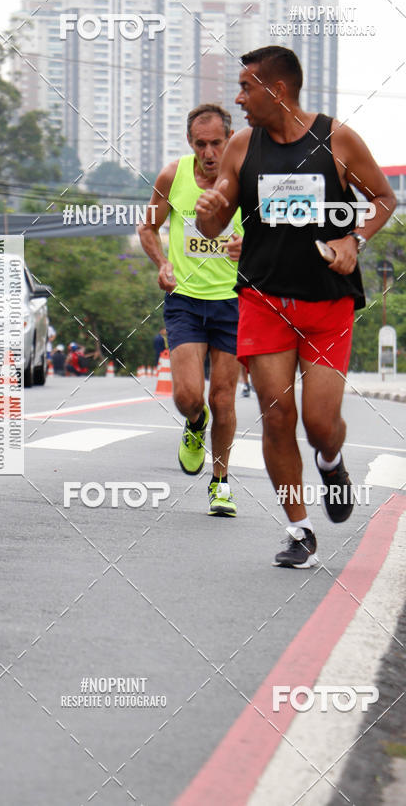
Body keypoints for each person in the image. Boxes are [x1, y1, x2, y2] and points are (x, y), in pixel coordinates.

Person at [195, 46, 396, 567]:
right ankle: (298, 530)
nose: (238, 99)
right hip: (264, 301)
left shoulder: (337, 139)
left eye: (246, 87)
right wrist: (211, 213)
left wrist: (355, 238)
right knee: (276, 415)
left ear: (276, 90)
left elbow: (383, 199)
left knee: (319, 423)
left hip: (328, 306)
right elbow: (214, 224)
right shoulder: (243, 147)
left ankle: (331, 463)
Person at [138, 104, 244, 517]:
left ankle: (220, 484)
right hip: (184, 300)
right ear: (190, 143)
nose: (210, 152)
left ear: (229, 140)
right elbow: (147, 225)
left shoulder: (246, 179)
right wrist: (162, 263)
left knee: (224, 398)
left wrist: (246, 248)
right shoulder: (173, 176)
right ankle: (194, 424)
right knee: (187, 397)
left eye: (217, 142)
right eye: (201, 144)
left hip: (234, 301)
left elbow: (274, 232)